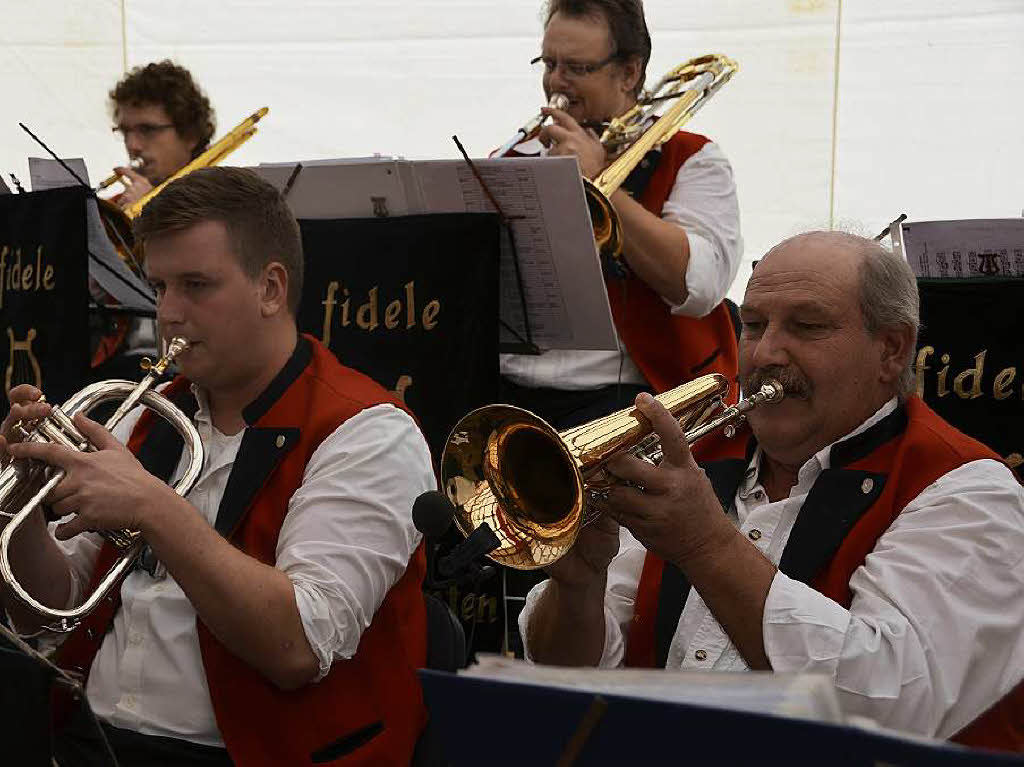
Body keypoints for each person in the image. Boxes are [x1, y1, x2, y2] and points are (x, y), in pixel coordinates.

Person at [520, 231, 1024, 750]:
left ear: (891, 350)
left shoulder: (967, 490)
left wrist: (706, 544)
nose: (765, 353)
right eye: (754, 325)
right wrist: (577, 588)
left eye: (807, 327)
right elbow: (571, 678)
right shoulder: (700, 460)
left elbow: (890, 702)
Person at [0, 167, 435, 765]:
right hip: (91, 736)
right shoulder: (144, 415)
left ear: (271, 289)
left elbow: (296, 647)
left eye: (196, 285)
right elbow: (46, 612)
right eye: (159, 286)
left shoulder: (368, 432)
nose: (168, 314)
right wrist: (20, 501)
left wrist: (153, 507)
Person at [499, 0, 742, 430]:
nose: (556, 81)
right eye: (549, 63)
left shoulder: (692, 159)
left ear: (630, 72)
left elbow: (700, 286)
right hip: (507, 393)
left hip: (632, 403)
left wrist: (597, 179)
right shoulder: (514, 160)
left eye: (576, 68)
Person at [107, 60, 216, 207]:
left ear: (190, 134)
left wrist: (149, 210)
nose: (132, 145)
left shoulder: (223, 204)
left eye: (147, 130)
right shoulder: (115, 208)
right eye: (125, 131)